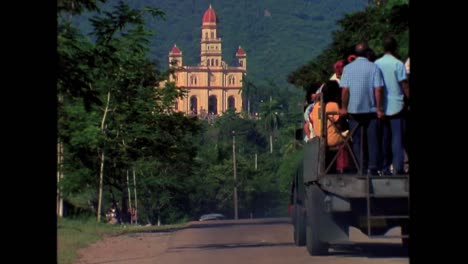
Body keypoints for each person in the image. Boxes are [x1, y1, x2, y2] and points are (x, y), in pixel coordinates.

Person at [339, 43, 384, 175]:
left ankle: (361, 167)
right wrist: (379, 108)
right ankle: (373, 167)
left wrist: (343, 107)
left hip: (354, 110)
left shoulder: (347, 69)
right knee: (372, 139)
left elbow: (345, 91)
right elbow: (378, 89)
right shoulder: (374, 67)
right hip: (370, 110)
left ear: (355, 54)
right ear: (367, 52)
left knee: (357, 140)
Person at [375, 36, 409, 175]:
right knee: (397, 139)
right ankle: (398, 168)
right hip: (397, 106)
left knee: (384, 139)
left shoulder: (376, 63)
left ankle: (383, 168)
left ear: (383, 48)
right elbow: (404, 85)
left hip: (381, 107)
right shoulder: (398, 64)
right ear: (395, 48)